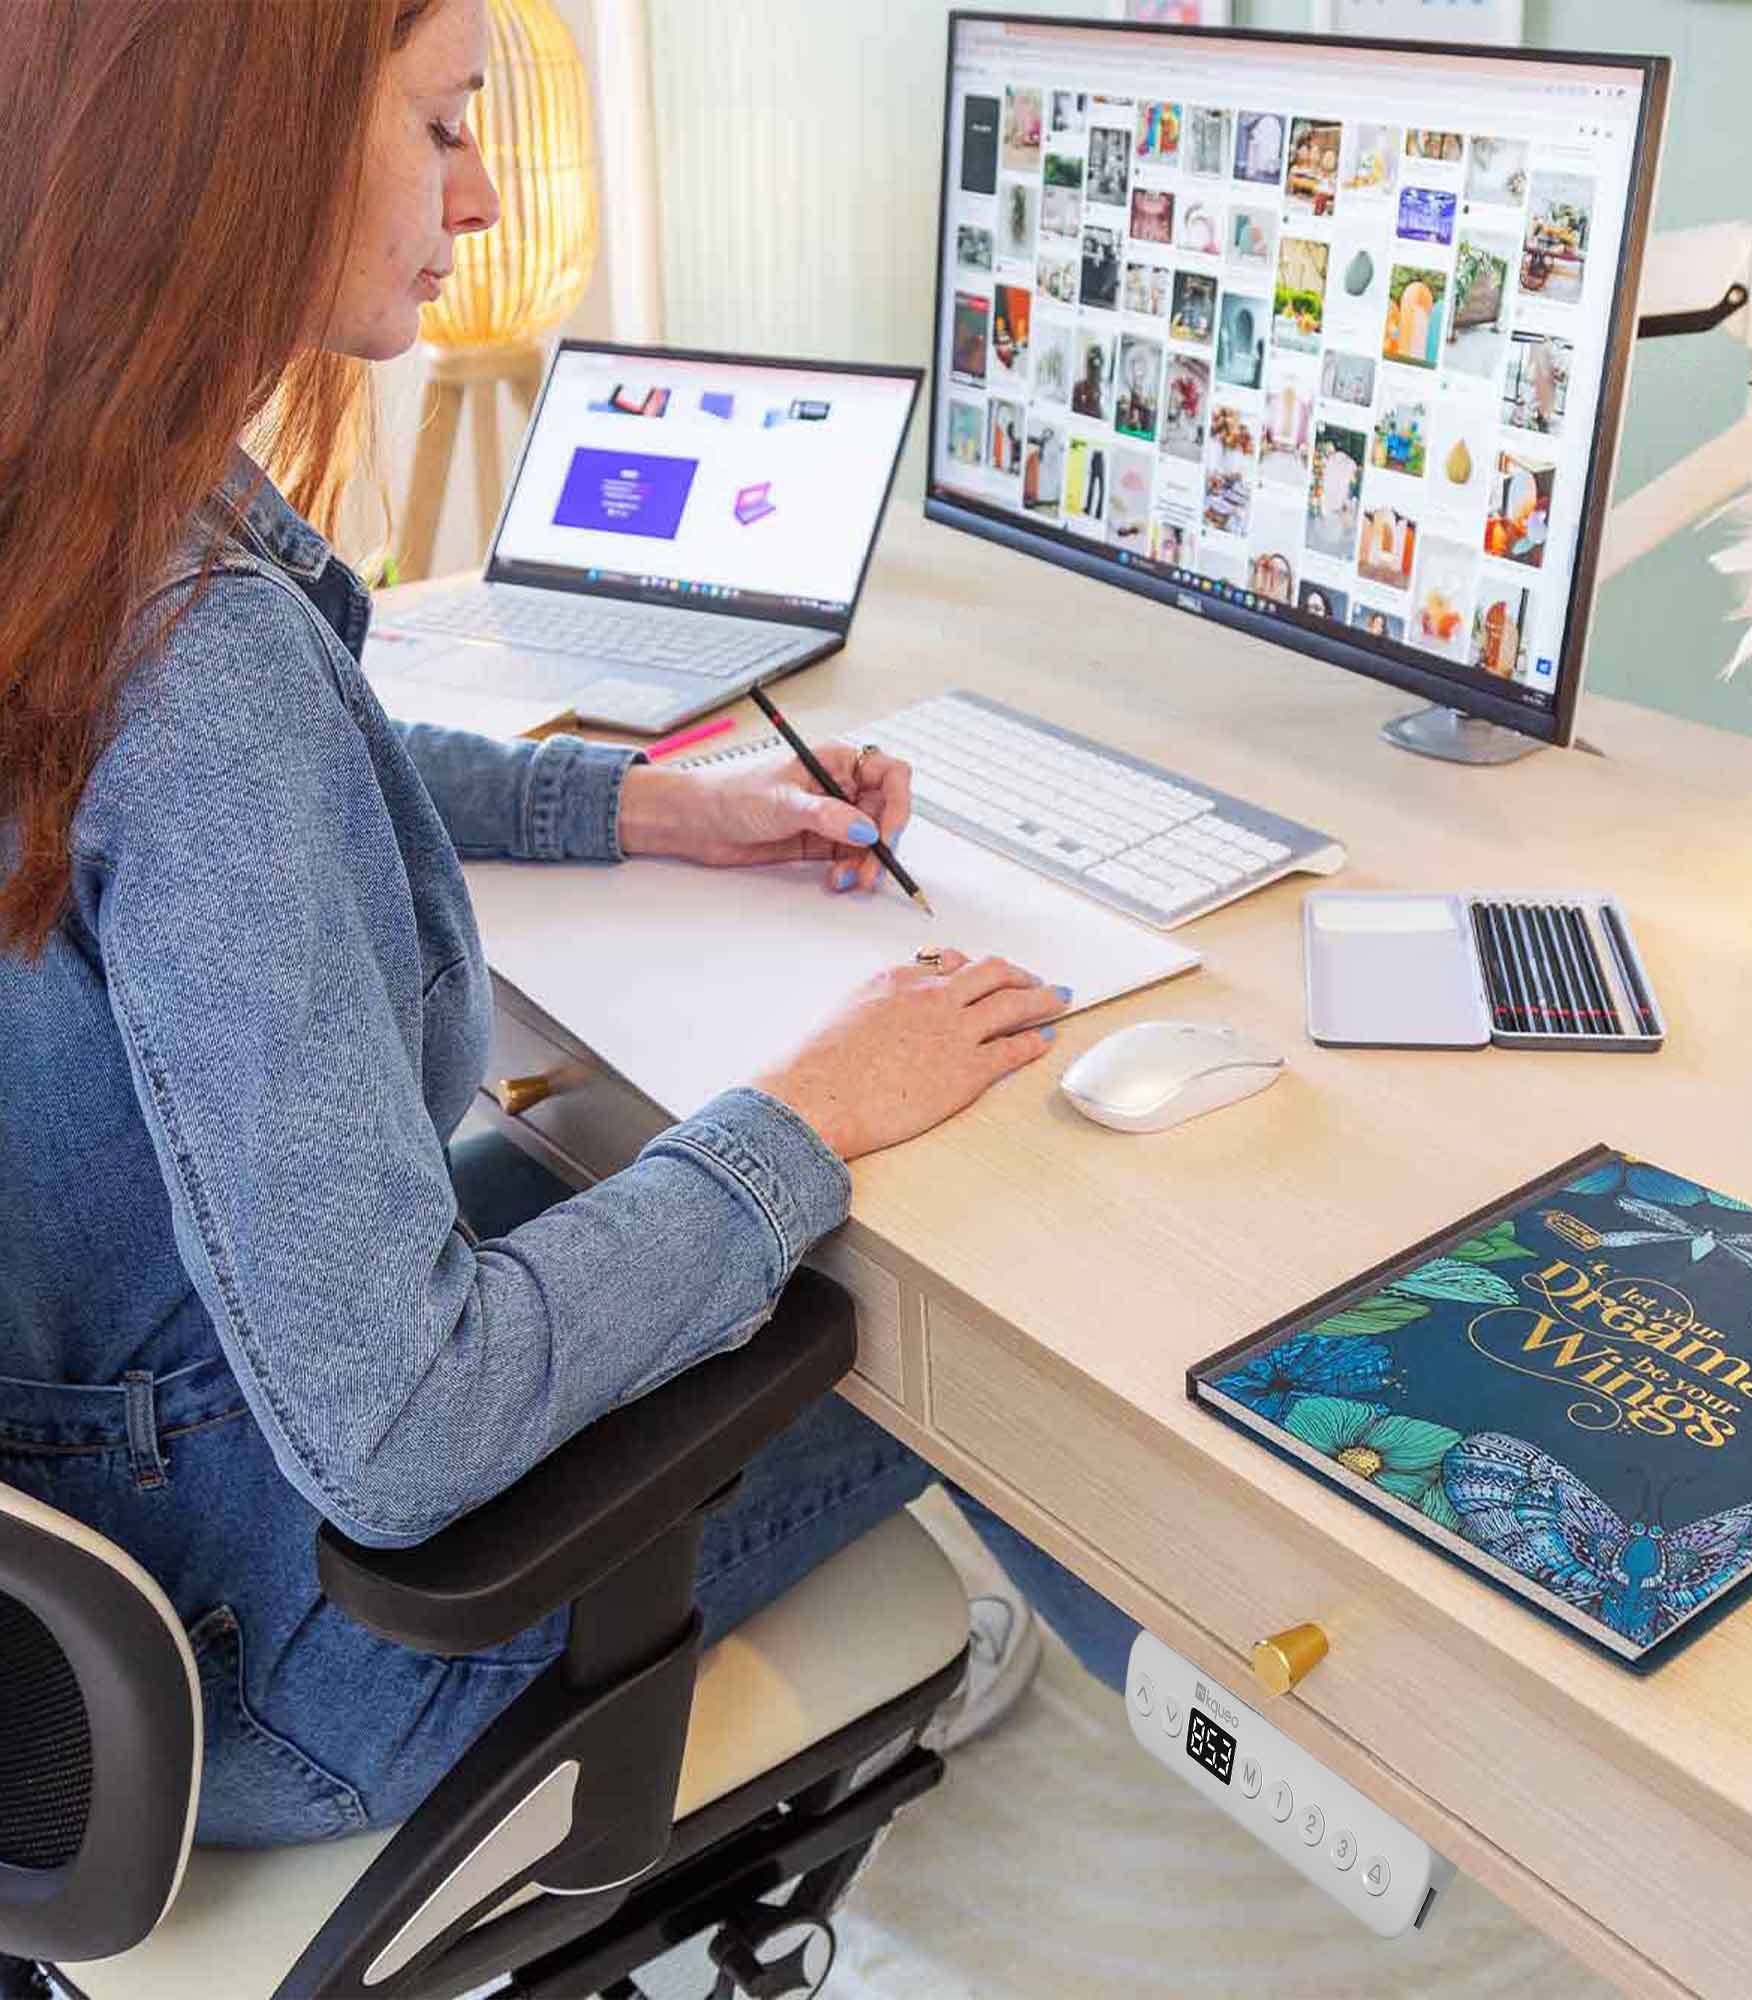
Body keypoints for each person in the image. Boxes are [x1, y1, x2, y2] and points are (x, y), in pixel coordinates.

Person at [0, 0, 1138, 1850]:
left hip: (94, 1567)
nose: (480, 193)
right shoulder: (198, 667)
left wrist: (647, 806)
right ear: (245, 153)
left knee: (698, 1202)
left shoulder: (68, 481)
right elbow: (405, 1433)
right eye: (444, 125)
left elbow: (240, 798)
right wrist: (815, 1113)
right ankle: (1236, 1755)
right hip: (285, 1655)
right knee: (982, 1368)